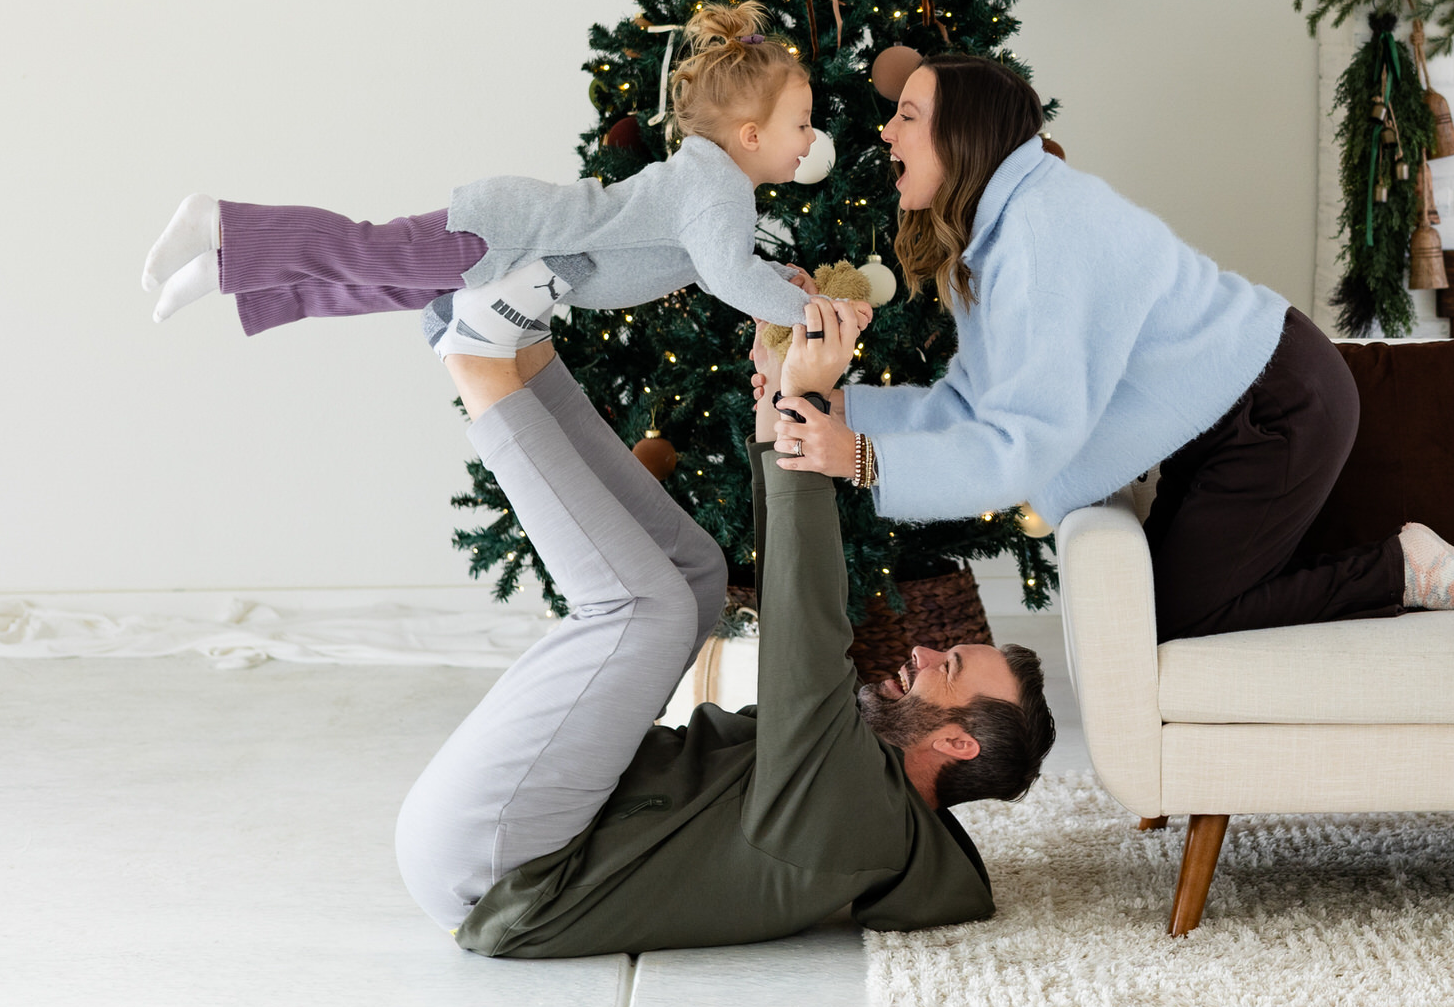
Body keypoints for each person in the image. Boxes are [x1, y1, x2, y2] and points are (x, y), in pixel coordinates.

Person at [764, 53, 1454, 641]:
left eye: (907, 115)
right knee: (1155, 599)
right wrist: (844, 406)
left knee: (1174, 613)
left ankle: (1405, 566)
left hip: (1276, 400)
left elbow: (1026, 441)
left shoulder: (1040, 232)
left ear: (962, 134)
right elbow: (971, 401)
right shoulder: (997, 237)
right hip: (1220, 408)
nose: (886, 130)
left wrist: (862, 456)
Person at [400, 311, 1054, 958]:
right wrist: (778, 400)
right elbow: (792, 597)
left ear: (956, 741)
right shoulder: (869, 789)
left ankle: (476, 358)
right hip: (531, 833)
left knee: (642, 606)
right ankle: (523, 344)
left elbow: (807, 631)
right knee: (693, 577)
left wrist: (805, 401)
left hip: (501, 867)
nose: (925, 650)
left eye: (951, 666)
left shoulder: (861, 818)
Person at [137, 3, 864, 355]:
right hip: (504, 236)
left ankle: (231, 274)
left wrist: (782, 278)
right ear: (751, 135)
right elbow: (731, 276)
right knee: (361, 250)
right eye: (801, 122)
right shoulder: (718, 190)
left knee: (381, 285)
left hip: (510, 242)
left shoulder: (713, 189)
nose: (809, 139)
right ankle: (220, 222)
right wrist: (813, 312)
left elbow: (717, 267)